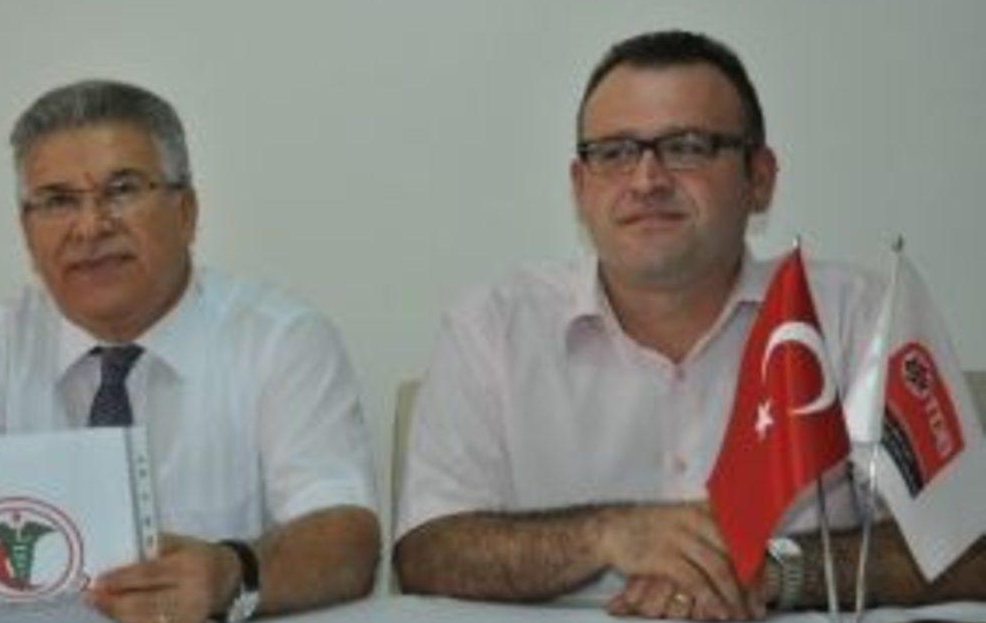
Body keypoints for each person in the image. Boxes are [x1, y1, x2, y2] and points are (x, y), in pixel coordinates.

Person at [393, 30, 985, 619]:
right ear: (579, 187)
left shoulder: (858, 318)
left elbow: (971, 549)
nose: (647, 180)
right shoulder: (492, 330)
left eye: (687, 147)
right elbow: (425, 552)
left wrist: (777, 570)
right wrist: (606, 533)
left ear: (760, 178)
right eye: (615, 153)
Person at [0, 80, 380, 623]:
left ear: (186, 212)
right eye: (57, 201)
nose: (89, 227)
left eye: (122, 190)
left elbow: (346, 540)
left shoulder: (280, 339)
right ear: (27, 232)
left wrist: (233, 572)